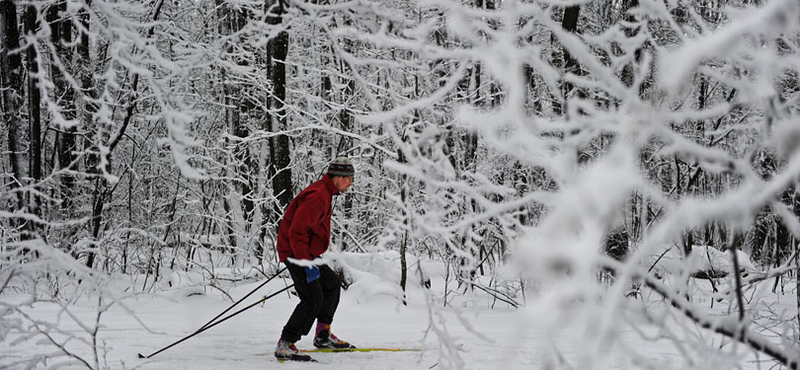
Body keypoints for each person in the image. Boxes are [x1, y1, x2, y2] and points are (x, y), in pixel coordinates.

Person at [274, 157, 356, 360]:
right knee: (312, 298)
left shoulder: (326, 192)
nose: (351, 183)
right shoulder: (318, 196)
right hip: (296, 252)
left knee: (331, 285)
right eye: (349, 179)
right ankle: (285, 343)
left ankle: (322, 335)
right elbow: (296, 233)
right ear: (338, 177)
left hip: (306, 252)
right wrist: (306, 264)